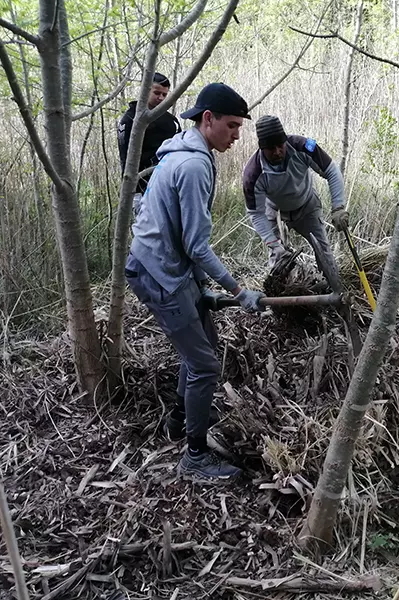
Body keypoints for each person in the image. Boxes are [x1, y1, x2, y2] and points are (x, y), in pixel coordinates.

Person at [125, 83, 264, 482]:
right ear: (208, 119)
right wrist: (238, 291)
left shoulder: (191, 151)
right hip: (158, 273)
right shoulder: (192, 166)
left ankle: (182, 417)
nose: (237, 135)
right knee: (204, 364)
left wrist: (202, 290)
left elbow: (187, 239)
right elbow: (197, 246)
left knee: (207, 342)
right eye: (233, 126)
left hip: (171, 266)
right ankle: (195, 456)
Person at [242, 115, 349, 290]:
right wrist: (273, 244)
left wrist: (338, 207)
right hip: (275, 212)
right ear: (262, 148)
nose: (277, 152)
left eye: (280, 145)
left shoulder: (303, 146)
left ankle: (336, 294)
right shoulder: (253, 173)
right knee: (277, 260)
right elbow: (256, 213)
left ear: (286, 140)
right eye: (271, 148)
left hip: (307, 206)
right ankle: (280, 303)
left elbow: (331, 170)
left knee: (324, 253)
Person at [117, 72, 181, 217]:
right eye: (157, 93)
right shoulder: (129, 120)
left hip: (168, 187)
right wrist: (134, 194)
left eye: (165, 95)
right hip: (142, 188)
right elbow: (125, 158)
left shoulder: (172, 122)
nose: (161, 98)